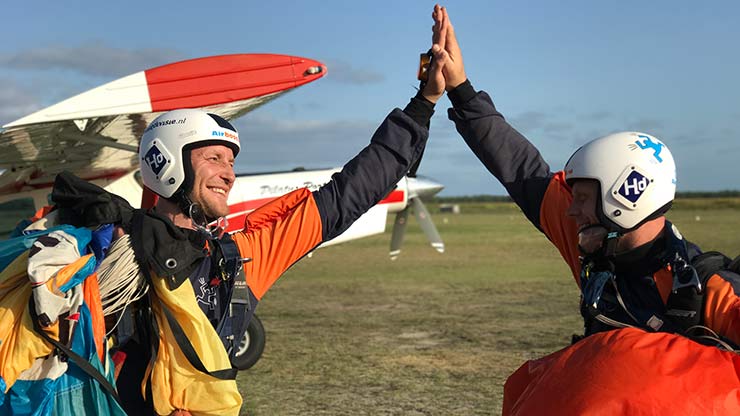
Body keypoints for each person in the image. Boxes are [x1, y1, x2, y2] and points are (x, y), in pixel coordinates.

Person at [429, 4, 740, 414]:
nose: (571, 212)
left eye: (581, 198)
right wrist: (462, 90)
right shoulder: (596, 257)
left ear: (627, 196)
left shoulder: (712, 292)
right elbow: (522, 170)